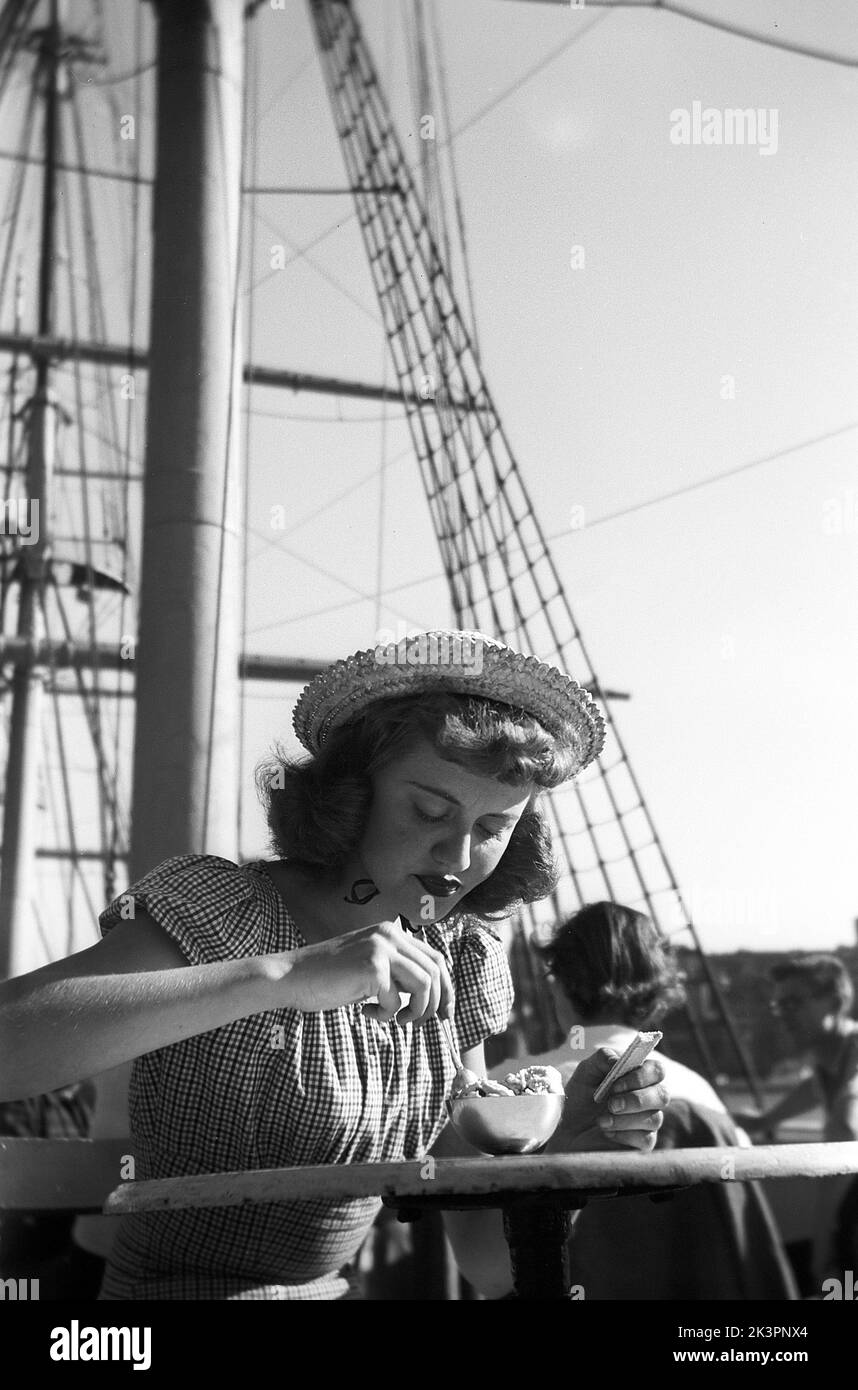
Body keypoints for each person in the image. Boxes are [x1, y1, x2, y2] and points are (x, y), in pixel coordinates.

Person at [0, 630, 669, 1301]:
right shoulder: (223, 911)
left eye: (493, 829)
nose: (459, 857)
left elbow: (488, 1266)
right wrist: (287, 976)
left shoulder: (463, 959)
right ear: (353, 791)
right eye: (430, 809)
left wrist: (568, 1157)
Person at [442, 901, 797, 1300]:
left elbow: (485, 1272)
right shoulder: (700, 1095)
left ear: (557, 985)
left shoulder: (499, 1093)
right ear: (659, 991)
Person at [733, 954, 858, 1285]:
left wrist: (822, 1245)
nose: (783, 1015)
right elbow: (815, 1088)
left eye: (793, 1003)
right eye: (779, 1005)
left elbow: (847, 1129)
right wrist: (764, 1121)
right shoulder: (834, 1057)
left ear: (833, 1002)